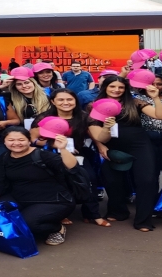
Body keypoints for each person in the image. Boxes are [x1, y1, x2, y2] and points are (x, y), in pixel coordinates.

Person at [89, 74, 162, 232]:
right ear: (105, 87)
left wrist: (156, 98)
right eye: (112, 86)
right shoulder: (93, 105)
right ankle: (118, 211)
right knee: (112, 180)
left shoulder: (135, 102)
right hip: (112, 147)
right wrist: (100, 146)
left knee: (147, 180)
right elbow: (92, 131)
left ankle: (144, 220)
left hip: (140, 145)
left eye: (121, 87)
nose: (116, 90)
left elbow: (161, 116)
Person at [0, 127, 78, 246]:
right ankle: (30, 216)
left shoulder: (42, 155)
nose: (16, 143)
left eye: (21, 140)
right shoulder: (4, 158)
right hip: (20, 198)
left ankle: (57, 228)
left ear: (29, 141)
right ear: (4, 142)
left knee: (28, 224)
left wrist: (63, 149)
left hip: (53, 201)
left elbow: (71, 167)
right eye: (11, 140)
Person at [30, 89, 106, 227]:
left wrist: (103, 141)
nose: (66, 102)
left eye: (69, 99)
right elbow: (33, 139)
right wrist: (52, 143)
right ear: (53, 101)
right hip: (50, 154)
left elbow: (97, 136)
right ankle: (61, 213)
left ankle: (92, 213)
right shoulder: (43, 118)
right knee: (57, 181)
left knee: (90, 179)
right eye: (61, 99)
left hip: (77, 154)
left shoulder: (84, 117)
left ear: (75, 101)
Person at [132, 74, 162, 183]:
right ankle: (151, 197)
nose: (155, 86)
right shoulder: (138, 99)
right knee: (151, 170)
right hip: (147, 137)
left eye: (159, 84)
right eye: (152, 84)